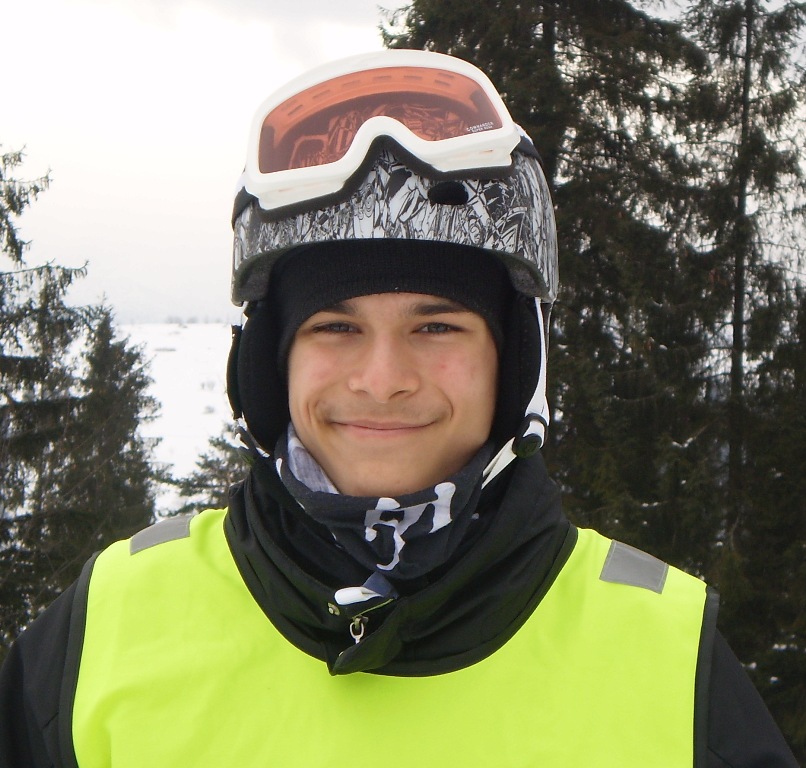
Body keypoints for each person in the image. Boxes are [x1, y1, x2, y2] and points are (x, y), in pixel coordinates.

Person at [0, 50, 797, 768]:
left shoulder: (666, 659)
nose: (382, 380)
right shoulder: (105, 633)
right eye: (335, 327)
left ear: (513, 363)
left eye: (437, 325)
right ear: (270, 364)